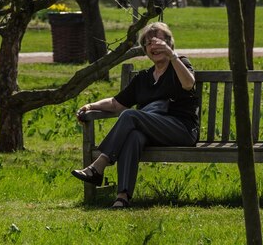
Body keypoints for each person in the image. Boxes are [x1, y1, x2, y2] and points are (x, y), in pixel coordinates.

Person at [72, 22, 199, 208]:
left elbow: (189, 84)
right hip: (153, 132)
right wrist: (91, 105)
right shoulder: (143, 78)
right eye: (148, 43)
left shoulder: (180, 64)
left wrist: (173, 56)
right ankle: (122, 197)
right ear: (145, 50)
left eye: (159, 42)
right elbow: (116, 104)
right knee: (133, 136)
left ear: (169, 44)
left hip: (181, 130)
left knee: (131, 115)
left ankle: (99, 164)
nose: (153, 47)